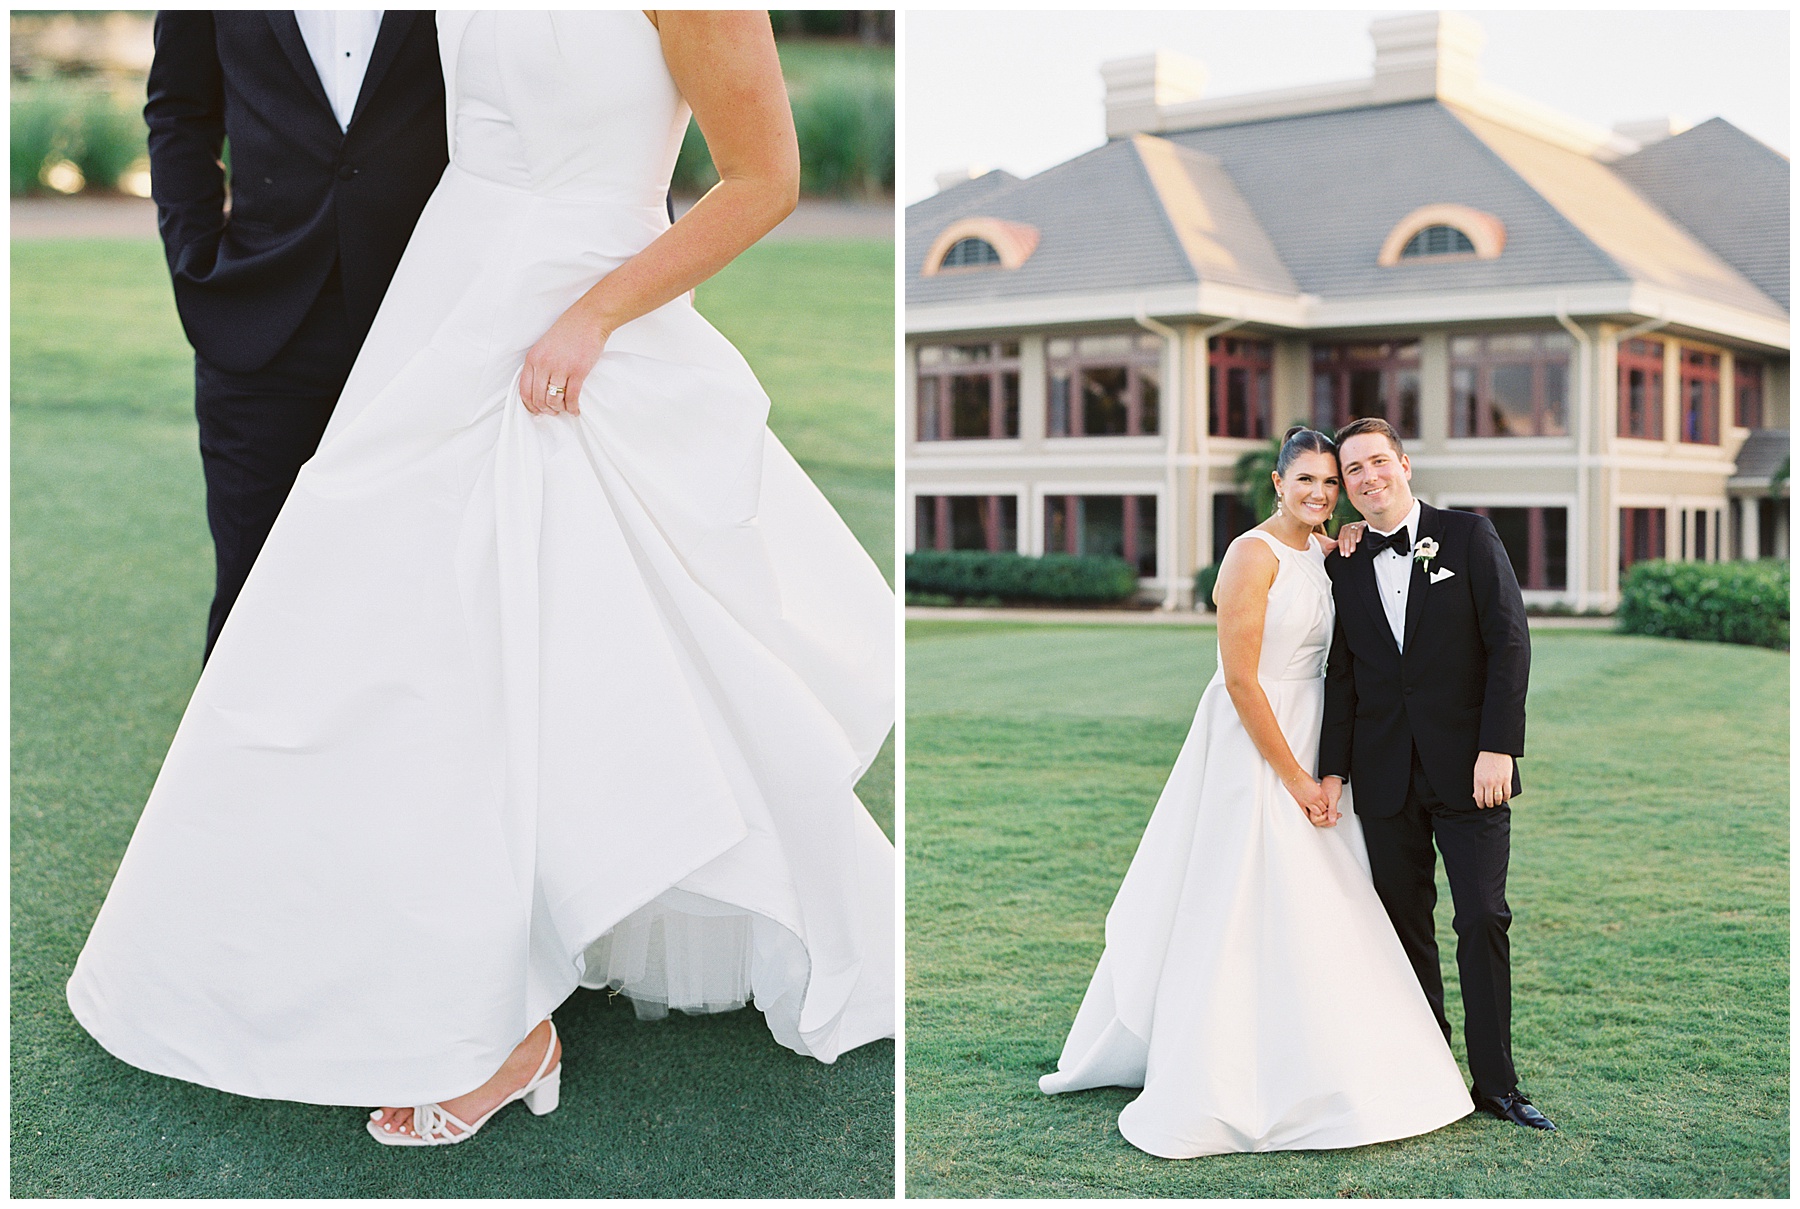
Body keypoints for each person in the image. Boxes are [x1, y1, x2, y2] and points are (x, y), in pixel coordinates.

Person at [67, 11, 894, 1148]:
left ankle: (510, 1020)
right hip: (440, 304)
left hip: (580, 325)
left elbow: (765, 179)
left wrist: (595, 316)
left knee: (569, 657)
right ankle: (365, 952)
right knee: (389, 645)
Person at [1040, 426, 1471, 1159]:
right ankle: (1228, 1065)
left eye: (1330, 483)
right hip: (1255, 741)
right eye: (1305, 480)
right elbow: (1241, 678)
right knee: (1242, 893)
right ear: (1277, 482)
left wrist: (1328, 767)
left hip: (1317, 735)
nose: (1319, 493)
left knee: (1327, 898)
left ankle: (1331, 1052)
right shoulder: (1251, 554)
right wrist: (1296, 777)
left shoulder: (1329, 551)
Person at [144, 12, 449, 659]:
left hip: (423, 325)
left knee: (413, 606)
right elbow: (178, 110)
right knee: (253, 604)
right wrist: (194, 261)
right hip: (260, 323)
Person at [1318, 417, 1554, 1131]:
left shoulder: (1470, 537)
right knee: (1403, 927)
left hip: (1470, 770)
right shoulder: (1345, 561)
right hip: (1383, 776)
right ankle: (1427, 1073)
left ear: (1405, 463)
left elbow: (1509, 643)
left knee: (1482, 915)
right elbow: (1344, 676)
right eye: (1352, 470)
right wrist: (1332, 772)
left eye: (1377, 461)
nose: (1367, 477)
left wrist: (1499, 746)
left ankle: (1498, 1085)